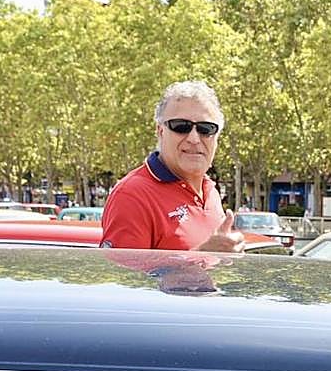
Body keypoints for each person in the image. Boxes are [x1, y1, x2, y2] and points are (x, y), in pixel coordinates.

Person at [101, 81, 244, 252]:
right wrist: (202, 255)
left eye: (206, 129)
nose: (194, 138)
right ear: (160, 131)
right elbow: (125, 278)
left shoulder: (210, 191)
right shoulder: (132, 195)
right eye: (181, 126)